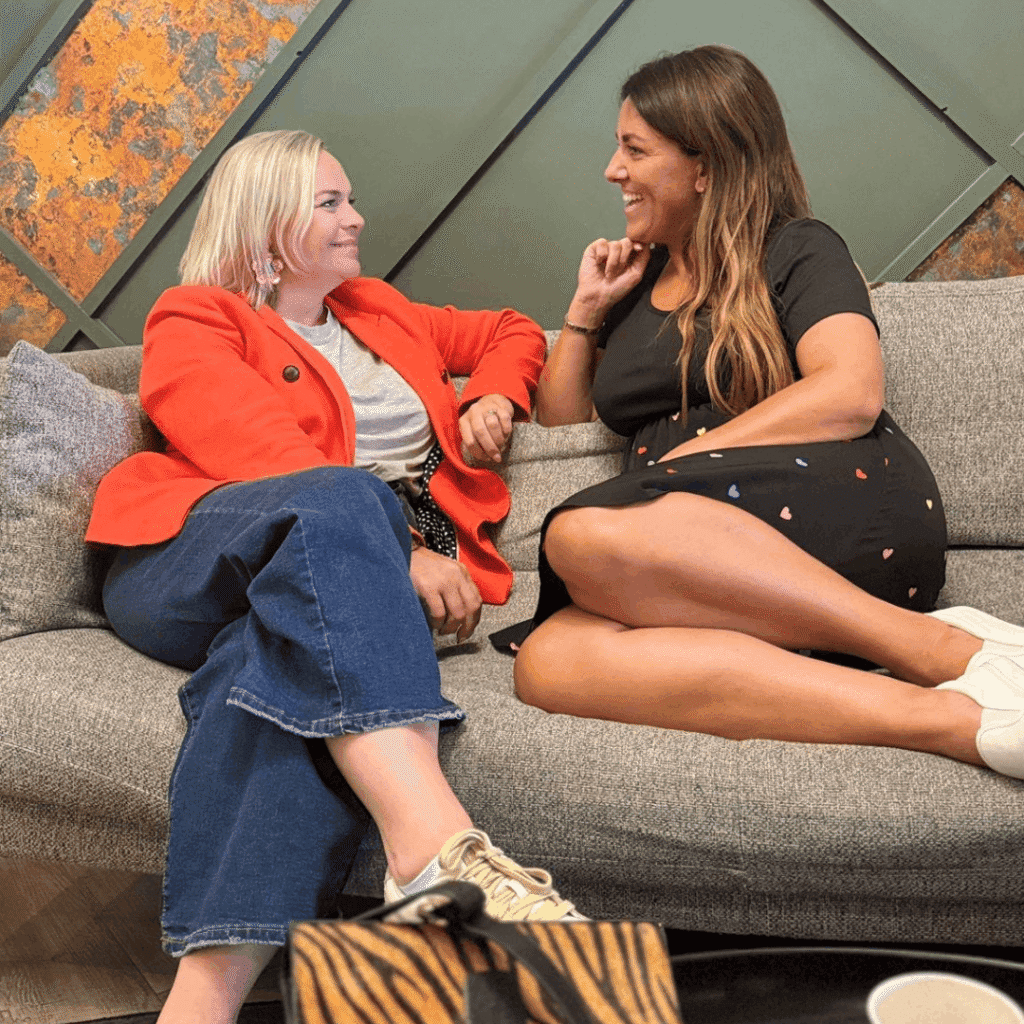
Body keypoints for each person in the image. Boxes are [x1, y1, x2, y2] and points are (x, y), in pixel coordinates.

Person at [86, 129, 583, 1024]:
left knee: (264, 672)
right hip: (189, 556)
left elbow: (511, 330)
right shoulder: (198, 316)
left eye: (349, 198)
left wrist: (492, 395)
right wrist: (403, 551)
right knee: (336, 497)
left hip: (325, 588)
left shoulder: (378, 312)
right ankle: (433, 852)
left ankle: (199, 1006)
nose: (357, 218)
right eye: (329, 203)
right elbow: (263, 457)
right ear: (267, 226)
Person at [510, 45, 1024, 781]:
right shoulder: (634, 279)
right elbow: (561, 430)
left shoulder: (796, 248)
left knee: (581, 535)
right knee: (550, 664)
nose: (611, 169)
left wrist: (680, 468)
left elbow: (850, 392)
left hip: (834, 501)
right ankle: (962, 721)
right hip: (689, 548)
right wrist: (585, 311)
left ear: (706, 166)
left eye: (633, 148)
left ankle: (945, 650)